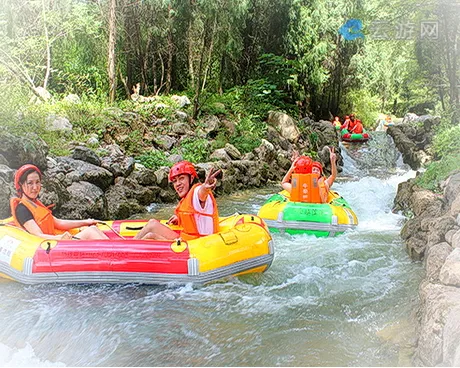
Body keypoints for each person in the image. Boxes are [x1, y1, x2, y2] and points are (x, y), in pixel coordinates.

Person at [10, 164, 109, 240]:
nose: (35, 187)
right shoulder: (22, 209)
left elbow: (59, 223)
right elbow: (38, 235)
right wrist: (59, 238)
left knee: (94, 228)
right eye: (30, 183)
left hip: (57, 241)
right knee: (90, 232)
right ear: (21, 185)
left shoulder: (36, 203)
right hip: (52, 246)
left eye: (37, 182)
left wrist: (87, 222)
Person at [134, 161, 222, 241]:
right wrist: (179, 218)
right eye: (175, 181)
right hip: (188, 241)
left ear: (191, 178)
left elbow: (201, 193)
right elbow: (194, 215)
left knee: (150, 236)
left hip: (198, 246)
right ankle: (128, 247)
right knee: (152, 224)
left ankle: (126, 249)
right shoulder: (188, 197)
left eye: (181, 178)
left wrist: (205, 187)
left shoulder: (197, 191)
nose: (178, 184)